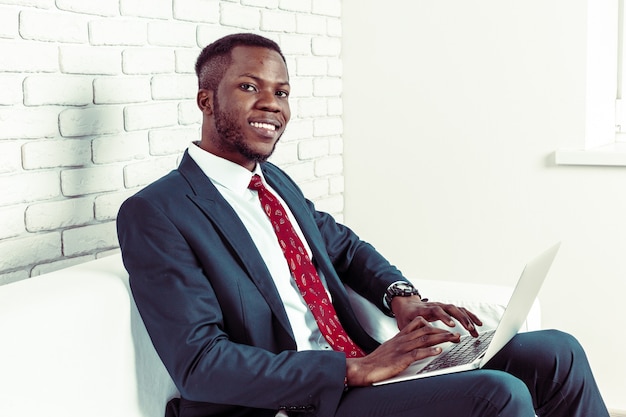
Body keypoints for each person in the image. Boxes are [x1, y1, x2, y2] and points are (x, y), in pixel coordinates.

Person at [116, 33, 610, 417]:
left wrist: (403, 298)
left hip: (362, 363)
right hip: (296, 399)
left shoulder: (273, 184)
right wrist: (355, 369)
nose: (272, 104)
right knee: (496, 395)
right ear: (205, 100)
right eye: (249, 87)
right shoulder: (159, 213)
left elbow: (345, 248)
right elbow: (202, 365)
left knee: (555, 352)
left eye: (282, 92)